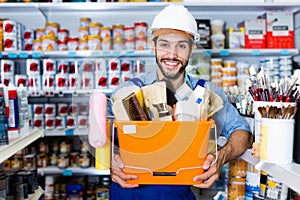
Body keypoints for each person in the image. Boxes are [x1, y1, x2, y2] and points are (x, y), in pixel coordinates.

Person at [108, 4, 253, 200]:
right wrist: (110, 160)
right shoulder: (127, 93)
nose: (172, 54)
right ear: (153, 46)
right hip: (128, 191)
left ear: (192, 49)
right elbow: (103, 136)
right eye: (164, 44)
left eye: (182, 45)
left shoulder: (207, 94)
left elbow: (243, 133)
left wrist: (221, 157)